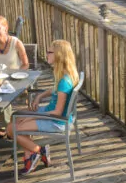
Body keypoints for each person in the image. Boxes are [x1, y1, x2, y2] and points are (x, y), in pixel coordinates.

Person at [7, 40, 79, 175]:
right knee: (16, 116)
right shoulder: (64, 73)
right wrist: (39, 97)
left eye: (49, 52)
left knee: (11, 129)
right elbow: (54, 90)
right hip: (51, 114)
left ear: (58, 56)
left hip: (57, 122)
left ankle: (39, 151)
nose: (47, 54)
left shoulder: (64, 81)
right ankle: (30, 153)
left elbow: (57, 112)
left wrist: (32, 117)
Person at [0, 16, 29, 138]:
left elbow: (26, 64)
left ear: (6, 28)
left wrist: (14, 75)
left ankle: (5, 125)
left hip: (16, 79)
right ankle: (7, 125)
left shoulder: (16, 42)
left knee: (2, 93)